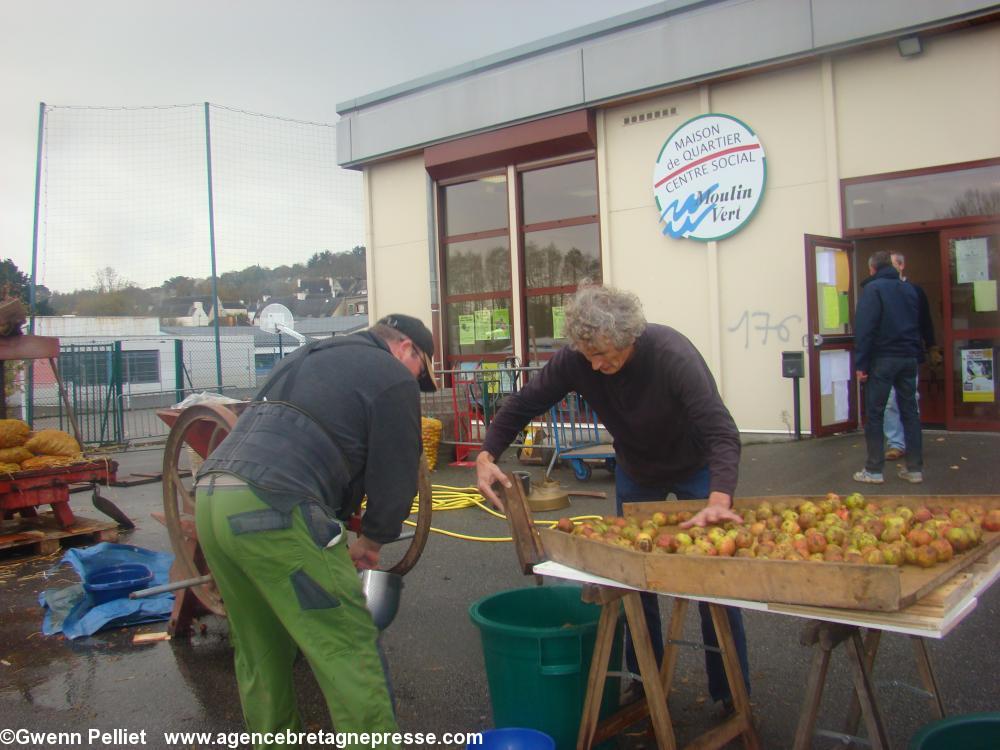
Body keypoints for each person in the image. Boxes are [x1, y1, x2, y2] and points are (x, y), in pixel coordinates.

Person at [475, 283, 750, 711]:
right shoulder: (578, 359)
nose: (597, 365)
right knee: (632, 579)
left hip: (694, 465)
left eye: (605, 354)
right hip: (638, 471)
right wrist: (487, 452)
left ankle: (731, 691)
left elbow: (720, 430)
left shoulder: (673, 355)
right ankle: (645, 680)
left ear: (630, 338)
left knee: (712, 579)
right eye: (589, 356)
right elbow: (523, 403)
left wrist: (719, 498)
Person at [193, 314, 437, 749]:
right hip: (275, 508)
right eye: (421, 372)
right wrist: (372, 541)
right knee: (348, 649)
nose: (416, 383)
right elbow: (396, 474)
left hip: (213, 497)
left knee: (260, 652)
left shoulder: (306, 354)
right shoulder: (393, 377)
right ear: (407, 350)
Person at [853, 251, 925, 484]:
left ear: (872, 269)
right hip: (908, 358)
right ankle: (914, 469)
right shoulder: (909, 290)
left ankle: (874, 470)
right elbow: (918, 323)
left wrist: (861, 364)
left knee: (875, 413)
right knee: (910, 412)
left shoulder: (873, 290)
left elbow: (865, 329)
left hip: (883, 359)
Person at [882, 251, 938, 461]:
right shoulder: (879, 290)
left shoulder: (915, 291)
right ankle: (896, 443)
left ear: (902, 266)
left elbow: (925, 320)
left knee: (909, 398)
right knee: (889, 401)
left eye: (893, 264)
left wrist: (931, 345)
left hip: (909, 353)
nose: (890, 268)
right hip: (887, 355)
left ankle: (912, 442)